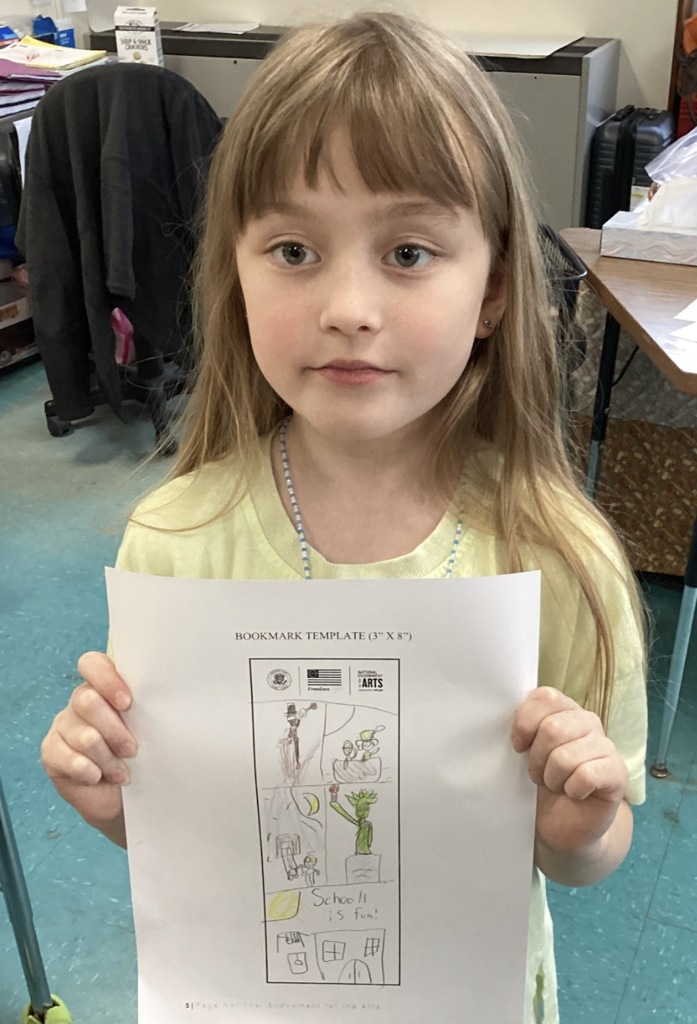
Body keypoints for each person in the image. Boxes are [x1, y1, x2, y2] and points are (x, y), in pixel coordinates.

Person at [40, 12, 648, 1023]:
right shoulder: (177, 541)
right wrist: (115, 805)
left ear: (493, 288)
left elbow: (586, 847)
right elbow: (193, 838)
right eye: (292, 248)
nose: (348, 306)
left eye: (408, 252)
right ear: (233, 272)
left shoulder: (558, 556)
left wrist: (577, 830)